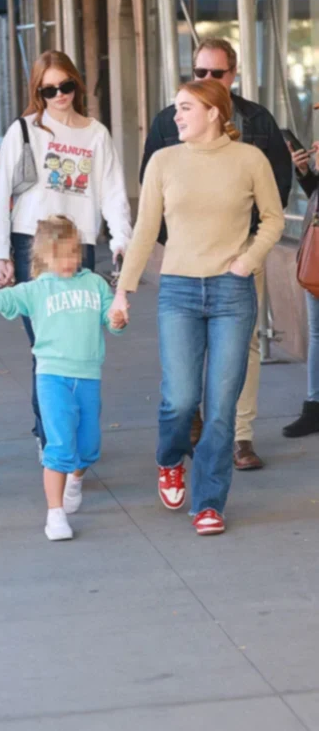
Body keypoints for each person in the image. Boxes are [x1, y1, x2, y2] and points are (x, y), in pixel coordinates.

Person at [112, 80, 285, 536]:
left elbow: (273, 219)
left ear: (214, 111)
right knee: (181, 399)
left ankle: (209, 502)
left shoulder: (250, 159)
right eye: (176, 109)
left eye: (186, 108)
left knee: (222, 405)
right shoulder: (164, 161)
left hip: (232, 292)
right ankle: (169, 459)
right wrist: (123, 292)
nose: (176, 117)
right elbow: (146, 228)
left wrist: (248, 260)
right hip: (179, 291)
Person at [140, 38, 292, 471]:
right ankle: (191, 420)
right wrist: (181, 243)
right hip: (187, 263)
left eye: (216, 73)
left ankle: (240, 436)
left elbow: (275, 193)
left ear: (233, 74)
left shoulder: (258, 122)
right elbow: (153, 198)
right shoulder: (171, 120)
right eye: (200, 72)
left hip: (242, 256)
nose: (207, 80)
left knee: (243, 348)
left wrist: (249, 249)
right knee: (188, 353)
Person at [0, 50, 132, 457]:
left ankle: (62, 431)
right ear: (38, 91)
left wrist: (122, 238)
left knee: (74, 340)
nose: (59, 95)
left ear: (76, 84)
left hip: (78, 244)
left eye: (65, 86)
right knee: (48, 344)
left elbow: (113, 192)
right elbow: (1, 193)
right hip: (32, 243)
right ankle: (51, 435)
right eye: (48, 89)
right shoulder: (24, 130)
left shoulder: (96, 134)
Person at [0, 215, 122, 541]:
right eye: (61, 256)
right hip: (52, 378)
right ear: (44, 257)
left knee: (88, 447)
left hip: (87, 377)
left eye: (74, 252)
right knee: (58, 444)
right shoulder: (35, 290)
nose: (70, 261)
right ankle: (55, 515)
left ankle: (75, 479)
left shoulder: (95, 284)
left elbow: (112, 323)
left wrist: (117, 318)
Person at [283, 139, 319, 437]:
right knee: (317, 332)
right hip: (317, 254)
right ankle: (314, 407)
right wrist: (306, 171)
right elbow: (315, 195)